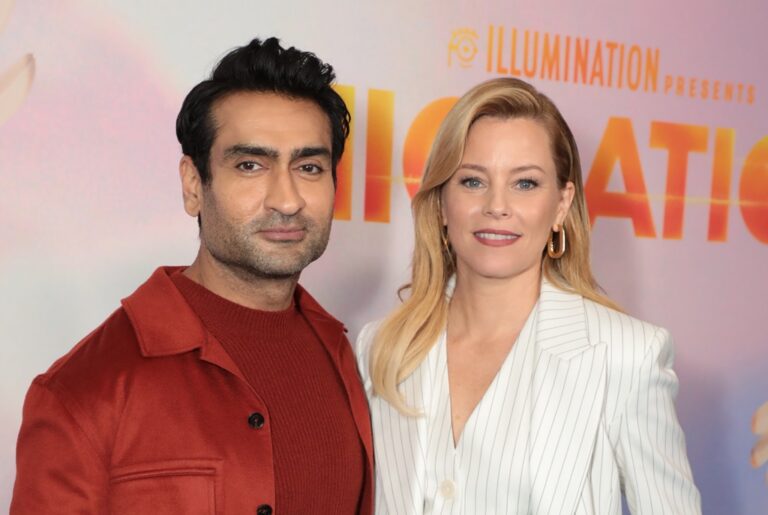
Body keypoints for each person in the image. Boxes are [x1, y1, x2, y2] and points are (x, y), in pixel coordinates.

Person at [11, 37, 373, 515]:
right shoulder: (85, 389)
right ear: (192, 185)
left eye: (308, 167)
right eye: (250, 166)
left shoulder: (347, 359)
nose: (287, 200)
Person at [355, 77, 701, 514]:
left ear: (561, 204)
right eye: (472, 181)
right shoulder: (381, 349)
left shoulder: (625, 356)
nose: (497, 206)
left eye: (525, 184)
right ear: (441, 202)